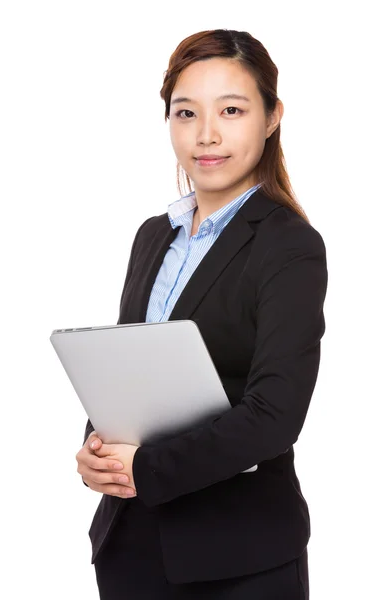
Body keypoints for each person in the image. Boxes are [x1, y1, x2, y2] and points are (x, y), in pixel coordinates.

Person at [75, 28, 328, 599]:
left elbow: (274, 415)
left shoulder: (289, 246)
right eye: (185, 113)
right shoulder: (152, 237)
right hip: (130, 546)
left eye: (231, 110)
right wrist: (99, 445)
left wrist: (145, 469)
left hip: (237, 557)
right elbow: (130, 372)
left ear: (271, 118)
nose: (206, 134)